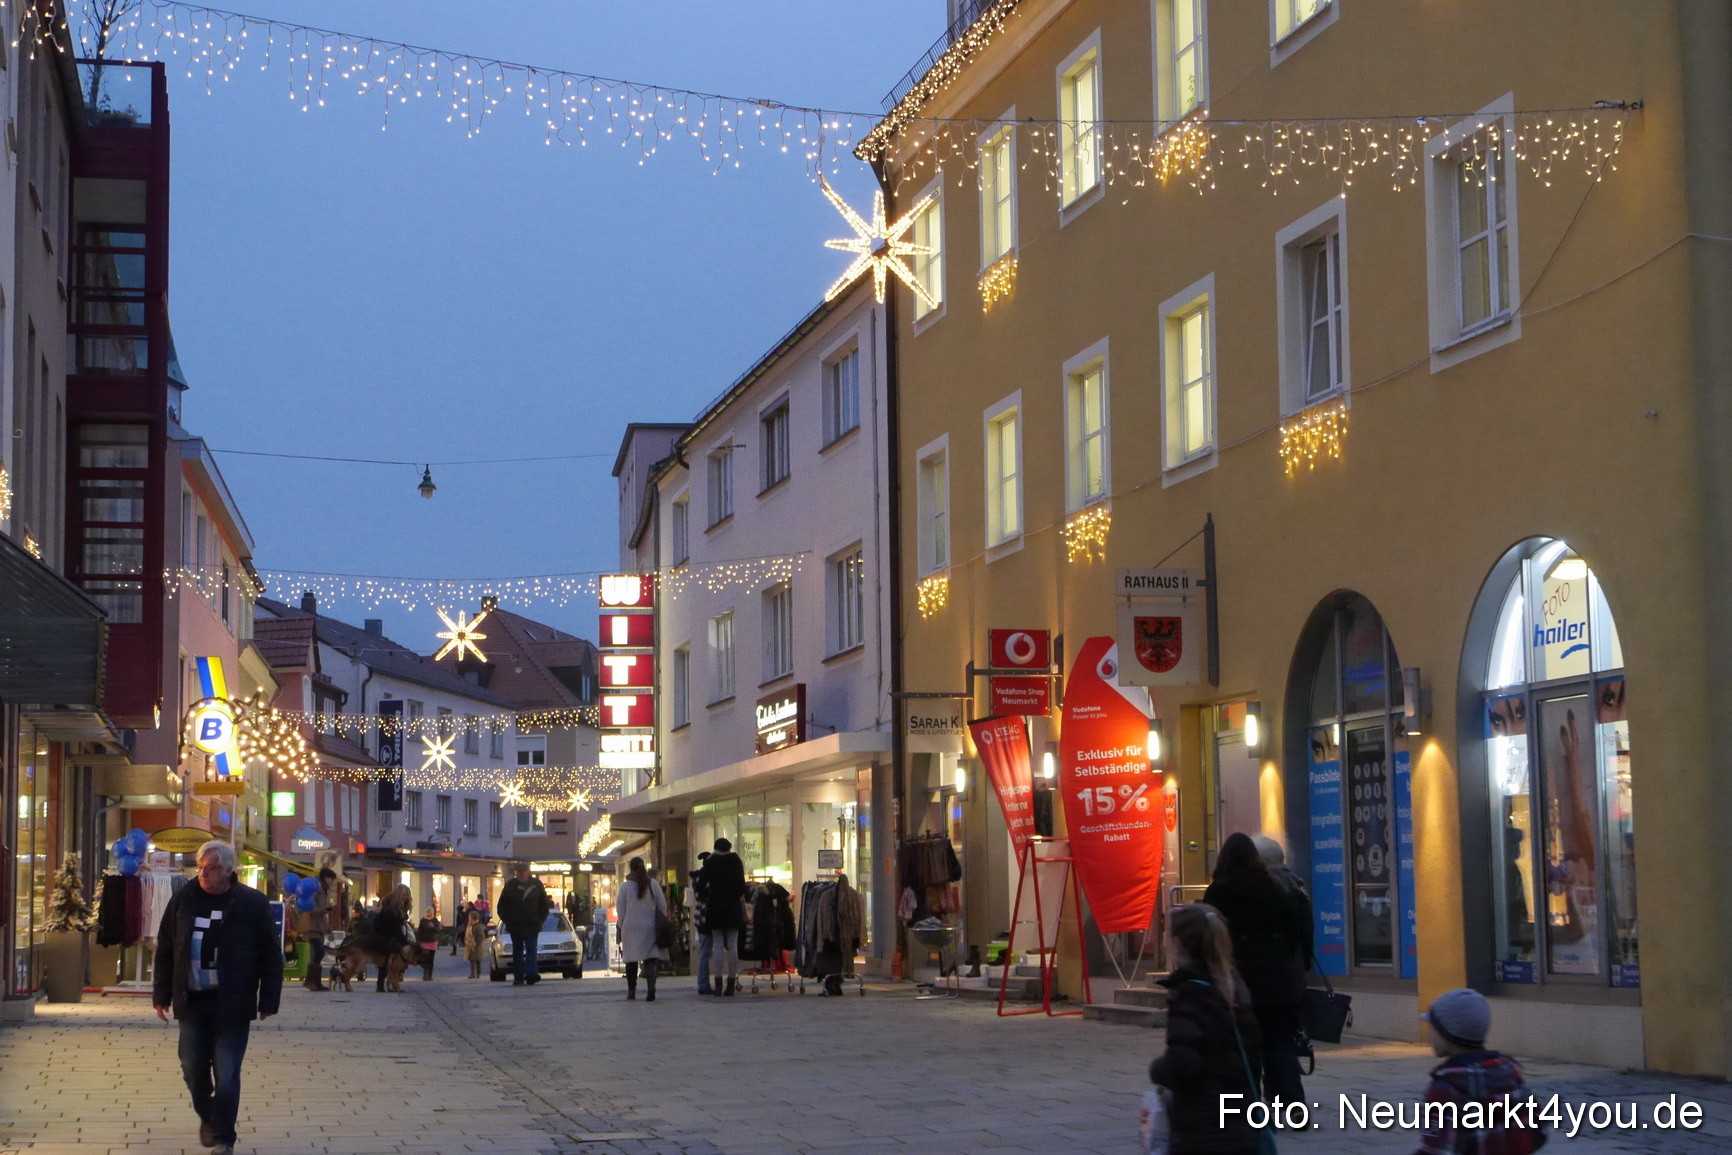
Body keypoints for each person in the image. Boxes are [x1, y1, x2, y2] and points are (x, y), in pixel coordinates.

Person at [152, 841, 283, 1155]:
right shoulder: (184, 898)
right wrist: (161, 994)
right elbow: (167, 947)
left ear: (228, 869)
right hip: (193, 1000)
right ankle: (209, 1117)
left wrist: (268, 1000)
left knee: (227, 1074)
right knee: (192, 1067)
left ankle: (224, 1138)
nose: (203, 874)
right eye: (199, 867)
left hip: (233, 1003)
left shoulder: (252, 903)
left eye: (210, 868)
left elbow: (270, 954)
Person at [1203, 831, 1313, 1104]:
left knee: (1244, 1047)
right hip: (1280, 983)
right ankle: (1292, 1103)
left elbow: (1210, 939)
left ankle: (1253, 1108)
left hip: (1239, 985)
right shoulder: (1275, 888)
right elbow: (1296, 935)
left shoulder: (1218, 891)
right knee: (1280, 1044)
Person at [1148, 904, 1264, 1155]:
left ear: (1178, 944)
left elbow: (1183, 1062)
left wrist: (1158, 1069)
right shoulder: (1234, 989)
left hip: (1203, 1128)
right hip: (1241, 1123)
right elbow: (1254, 1057)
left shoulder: (1190, 996)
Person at [1413, 988, 1549, 1154]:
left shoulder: (1445, 1089)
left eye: (1433, 1027)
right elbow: (1539, 1132)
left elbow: (1436, 1150)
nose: (1429, 1033)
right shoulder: (1510, 1076)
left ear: (1447, 1033)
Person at [697, 837, 747, 996]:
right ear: (729, 848)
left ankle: (718, 983)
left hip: (715, 906)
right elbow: (741, 887)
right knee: (732, 945)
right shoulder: (736, 860)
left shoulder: (711, 862)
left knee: (717, 945)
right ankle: (731, 983)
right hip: (733, 907)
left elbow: (700, 886)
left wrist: (710, 894)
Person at [616, 856, 669, 1001]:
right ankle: (651, 987)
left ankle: (631, 991)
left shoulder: (625, 886)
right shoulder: (653, 884)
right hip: (649, 926)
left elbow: (620, 909)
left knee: (631, 960)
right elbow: (662, 906)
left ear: (630, 869)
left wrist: (622, 924)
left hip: (630, 927)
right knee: (650, 957)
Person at [498, 863, 552, 986]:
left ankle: (531, 974)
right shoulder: (510, 886)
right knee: (517, 951)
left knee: (531, 949)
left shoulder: (536, 885)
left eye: (522, 871)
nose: (520, 874)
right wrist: (509, 922)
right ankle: (519, 977)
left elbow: (544, 904)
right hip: (515, 925)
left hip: (532, 924)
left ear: (528, 872)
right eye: (518, 872)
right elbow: (502, 906)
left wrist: (540, 920)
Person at [370, 885, 415, 993]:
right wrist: (404, 943)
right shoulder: (391, 908)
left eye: (407, 895)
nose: (406, 897)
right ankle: (383, 985)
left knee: (393, 961)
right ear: (398, 895)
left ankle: (390, 984)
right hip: (383, 935)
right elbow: (394, 928)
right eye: (404, 895)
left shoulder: (400, 907)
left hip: (391, 935)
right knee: (386, 961)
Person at [299, 868, 335, 992]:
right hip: (312, 926)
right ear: (326, 877)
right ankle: (311, 982)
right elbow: (309, 906)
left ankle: (314, 982)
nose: (332, 881)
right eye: (331, 878)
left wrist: (327, 925)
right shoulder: (316, 888)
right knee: (319, 951)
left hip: (318, 926)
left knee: (318, 952)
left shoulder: (323, 889)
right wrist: (323, 910)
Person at [688, 851, 713, 995]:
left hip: (699, 916)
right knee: (706, 952)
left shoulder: (697, 878)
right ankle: (704, 984)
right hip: (708, 917)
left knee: (705, 951)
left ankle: (703, 983)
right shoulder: (708, 879)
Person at [415, 908, 441, 981]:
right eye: (427, 912)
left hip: (432, 941)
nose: (428, 914)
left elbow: (438, 930)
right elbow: (419, 932)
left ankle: (430, 975)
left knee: (431, 959)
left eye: (430, 912)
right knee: (425, 959)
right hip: (424, 942)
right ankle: (425, 974)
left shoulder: (434, 921)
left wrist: (433, 927)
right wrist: (419, 941)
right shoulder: (423, 921)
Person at [462, 909, 488, 979]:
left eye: (470, 917)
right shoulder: (470, 925)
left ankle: (478, 974)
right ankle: (472, 974)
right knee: (471, 960)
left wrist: (476, 942)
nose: (469, 918)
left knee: (477, 960)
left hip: (477, 946)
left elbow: (481, 936)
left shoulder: (478, 926)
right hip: (470, 945)